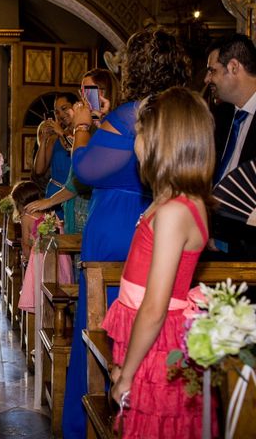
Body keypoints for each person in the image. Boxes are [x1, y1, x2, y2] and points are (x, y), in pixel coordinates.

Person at [61, 26, 192, 439]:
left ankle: (95, 416)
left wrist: (84, 127)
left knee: (103, 319)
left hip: (119, 225)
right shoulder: (182, 110)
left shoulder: (130, 114)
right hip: (163, 219)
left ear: (133, 68)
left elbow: (84, 171)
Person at [104, 87, 216, 437]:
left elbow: (154, 307)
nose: (135, 142)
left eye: (140, 133)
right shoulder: (172, 200)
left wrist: (128, 374)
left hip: (157, 345)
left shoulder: (174, 211)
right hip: (149, 336)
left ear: (161, 141)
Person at [25, 68, 120, 234]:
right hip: (77, 202)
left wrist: (49, 202)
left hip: (101, 207)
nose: (84, 99)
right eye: (82, 92)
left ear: (105, 92)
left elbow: (84, 174)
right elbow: (71, 176)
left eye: (89, 92)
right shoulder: (87, 128)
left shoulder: (115, 124)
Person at [204, 33, 256, 259]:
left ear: (234, 67)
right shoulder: (219, 116)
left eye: (212, 70)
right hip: (211, 242)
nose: (207, 79)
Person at [31, 92, 76, 219]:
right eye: (57, 112)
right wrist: (44, 139)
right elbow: (39, 170)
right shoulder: (54, 139)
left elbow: (77, 151)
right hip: (53, 194)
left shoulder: (83, 134)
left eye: (64, 108)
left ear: (76, 107)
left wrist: (62, 133)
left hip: (73, 195)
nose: (61, 115)